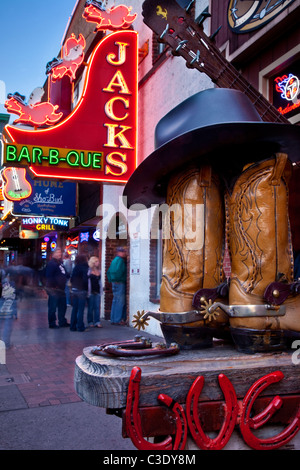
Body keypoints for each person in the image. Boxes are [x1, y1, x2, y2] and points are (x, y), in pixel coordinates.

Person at [45, 248, 69, 329]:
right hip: (54, 289)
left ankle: (62, 321)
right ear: (54, 254)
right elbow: (49, 276)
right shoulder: (52, 263)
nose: (59, 254)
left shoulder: (60, 263)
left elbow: (65, 273)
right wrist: (53, 285)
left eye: (60, 252)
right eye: (58, 252)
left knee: (63, 306)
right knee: (53, 307)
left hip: (61, 289)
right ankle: (52, 323)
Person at [107, 247, 127, 325]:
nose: (124, 253)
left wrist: (111, 280)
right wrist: (118, 279)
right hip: (120, 282)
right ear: (120, 252)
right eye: (123, 252)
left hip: (114, 282)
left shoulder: (114, 260)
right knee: (120, 302)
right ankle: (118, 320)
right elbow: (119, 271)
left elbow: (108, 272)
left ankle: (113, 319)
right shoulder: (121, 261)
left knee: (115, 301)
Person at [70, 254, 89, 332]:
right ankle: (80, 327)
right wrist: (86, 288)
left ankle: (72, 326)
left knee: (75, 309)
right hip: (81, 290)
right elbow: (85, 279)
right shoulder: (85, 267)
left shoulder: (76, 267)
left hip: (74, 289)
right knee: (81, 309)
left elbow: (71, 279)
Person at [87, 256, 103, 328]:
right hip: (91, 291)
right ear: (93, 262)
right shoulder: (89, 271)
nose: (98, 263)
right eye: (96, 261)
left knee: (97, 307)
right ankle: (90, 321)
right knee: (90, 308)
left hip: (97, 291)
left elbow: (99, 282)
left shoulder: (99, 271)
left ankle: (97, 321)